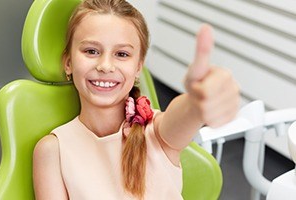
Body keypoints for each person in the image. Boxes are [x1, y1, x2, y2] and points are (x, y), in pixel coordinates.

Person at [33, 0, 240, 199]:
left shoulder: (157, 132)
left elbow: (182, 117)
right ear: (68, 63)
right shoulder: (53, 151)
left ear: (138, 68)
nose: (105, 65)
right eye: (91, 51)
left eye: (121, 54)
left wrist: (196, 104)